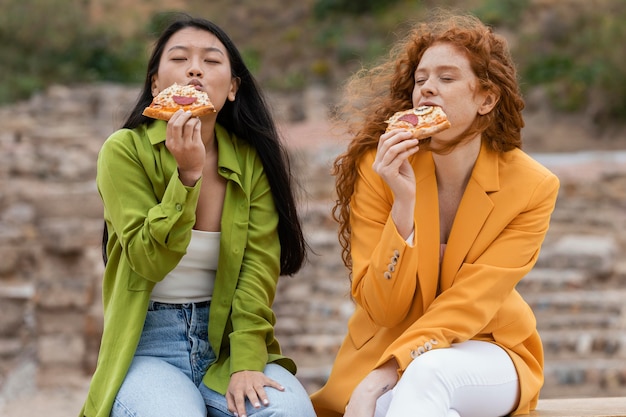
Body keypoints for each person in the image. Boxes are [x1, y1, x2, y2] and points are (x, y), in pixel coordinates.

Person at [310, 10, 560, 417]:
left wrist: (383, 374)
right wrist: (403, 206)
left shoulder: (532, 186)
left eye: (446, 78)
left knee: (426, 374)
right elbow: (383, 308)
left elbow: (471, 302)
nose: (427, 89)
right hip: (386, 344)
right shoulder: (377, 168)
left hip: (487, 347)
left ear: (486, 98)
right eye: (421, 80)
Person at [80, 14, 316, 417]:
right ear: (156, 84)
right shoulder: (123, 152)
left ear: (233, 88)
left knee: (288, 411)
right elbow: (148, 259)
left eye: (211, 61)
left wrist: (245, 361)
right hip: (148, 346)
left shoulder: (250, 161)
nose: (195, 68)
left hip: (228, 342)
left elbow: (257, 270)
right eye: (179, 58)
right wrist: (187, 178)